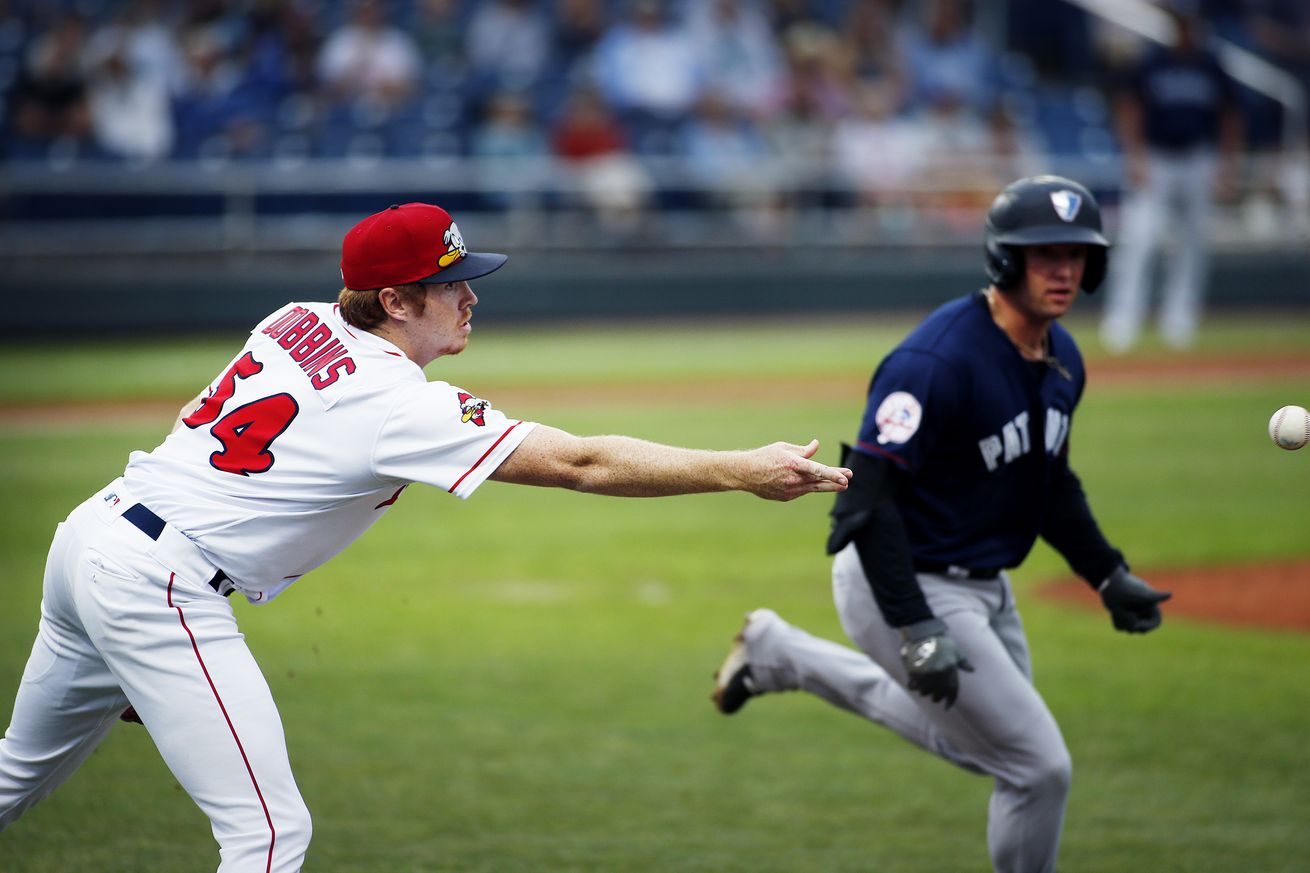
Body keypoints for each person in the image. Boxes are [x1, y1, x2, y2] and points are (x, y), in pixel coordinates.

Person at [0, 202, 852, 870]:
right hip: (158, 586)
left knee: (15, 777)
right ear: (396, 301)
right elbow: (584, 462)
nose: (472, 295)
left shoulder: (294, 316)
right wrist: (739, 466)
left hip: (94, 540)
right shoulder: (399, 404)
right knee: (267, 837)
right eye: (450, 284)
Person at [710, 176, 1172, 873]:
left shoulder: (1062, 359)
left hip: (984, 585)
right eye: (1043, 254)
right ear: (1004, 260)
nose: (1063, 270)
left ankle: (781, 654)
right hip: (901, 578)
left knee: (981, 745)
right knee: (1037, 767)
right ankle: (788, 654)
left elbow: (1050, 483)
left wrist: (1106, 571)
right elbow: (864, 501)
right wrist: (915, 621)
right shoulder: (935, 361)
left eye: (1075, 255)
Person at [1098, 2, 1243, 353]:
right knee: (1140, 239)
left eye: (1188, 22)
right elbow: (1129, 107)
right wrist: (1135, 156)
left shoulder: (1210, 63)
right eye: (1179, 22)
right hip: (1157, 157)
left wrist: (1227, 163)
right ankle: (1123, 319)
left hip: (1197, 158)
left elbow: (1230, 113)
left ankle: (1180, 319)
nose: (1184, 29)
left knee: (1192, 243)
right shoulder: (1152, 61)